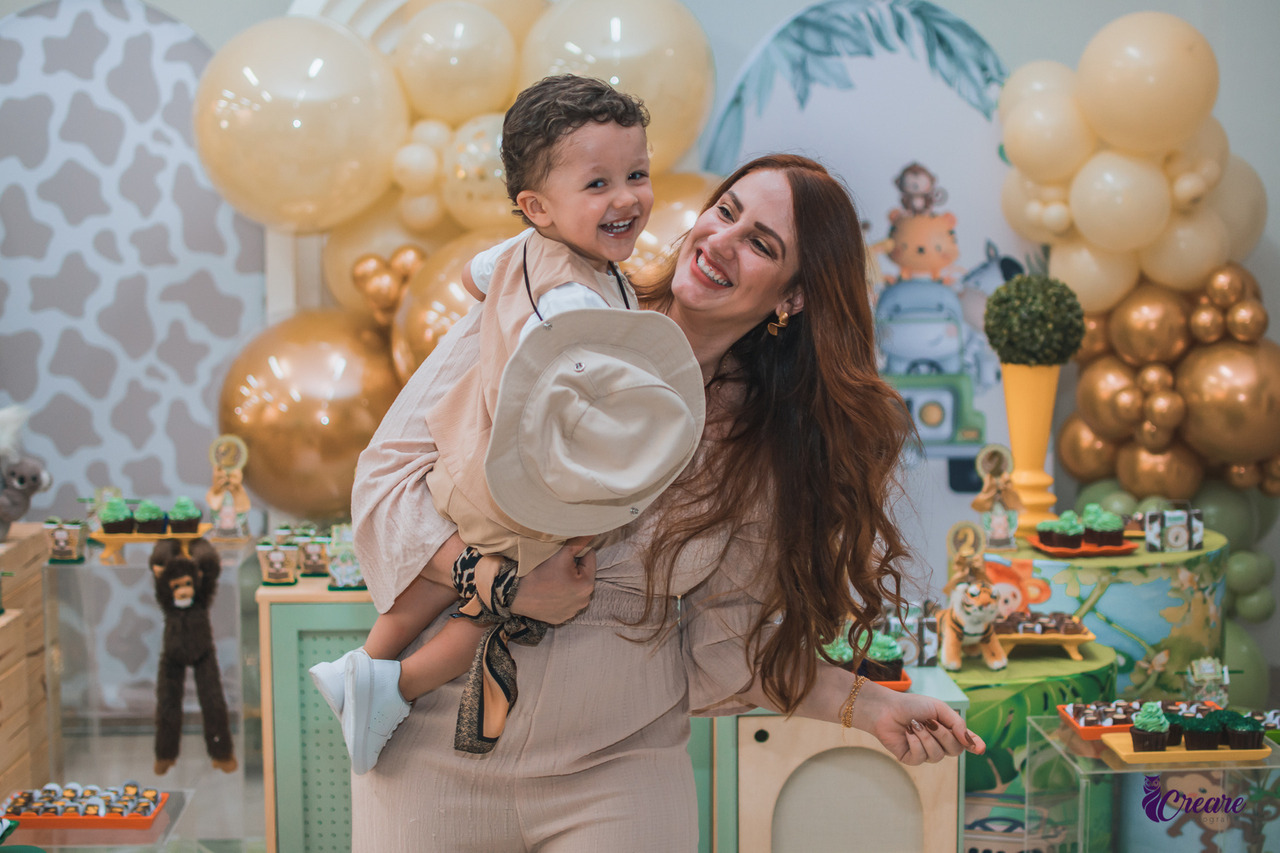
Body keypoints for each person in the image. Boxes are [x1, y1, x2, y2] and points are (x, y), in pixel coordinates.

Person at [348, 153, 985, 851]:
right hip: (438, 739)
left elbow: (727, 649)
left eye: (761, 244)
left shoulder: (760, 446)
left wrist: (870, 706)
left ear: (791, 299)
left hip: (620, 763)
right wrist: (510, 585)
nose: (721, 241)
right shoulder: (554, 306)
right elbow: (384, 486)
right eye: (726, 211)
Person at [310, 75, 707, 773]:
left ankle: (367, 663)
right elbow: (557, 360)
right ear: (537, 207)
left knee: (437, 589)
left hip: (478, 457)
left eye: (636, 174)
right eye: (598, 184)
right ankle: (390, 683)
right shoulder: (567, 291)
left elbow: (475, 271)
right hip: (513, 472)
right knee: (493, 600)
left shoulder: (547, 255)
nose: (627, 198)